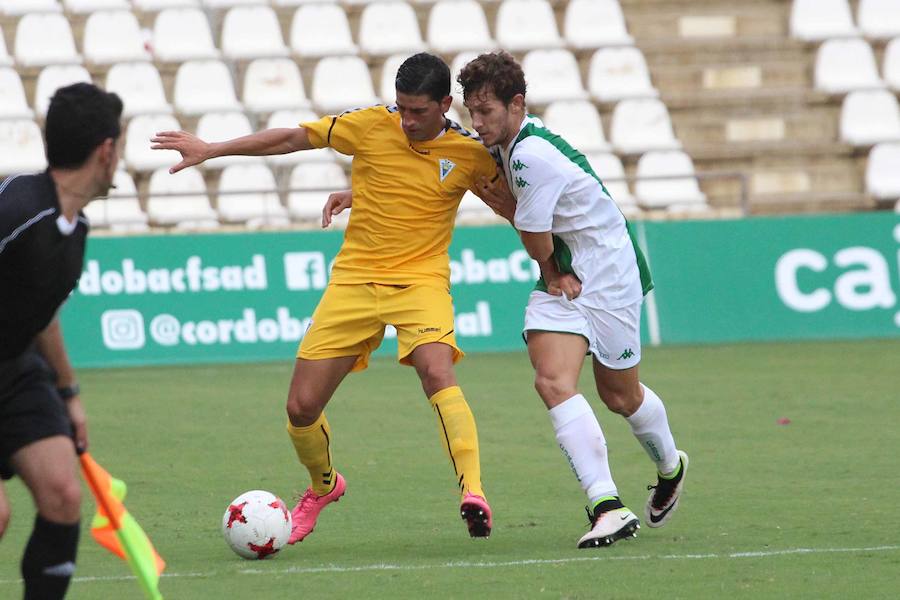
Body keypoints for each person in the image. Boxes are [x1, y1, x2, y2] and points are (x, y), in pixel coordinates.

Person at [151, 53, 498, 541]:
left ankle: (473, 492)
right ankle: (324, 486)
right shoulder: (372, 125)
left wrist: (555, 263)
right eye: (402, 108)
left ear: (445, 104)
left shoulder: (471, 153)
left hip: (421, 282)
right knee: (300, 408)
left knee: (437, 370)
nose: (408, 120)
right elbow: (294, 138)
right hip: (354, 281)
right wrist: (213, 149)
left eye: (419, 111)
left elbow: (515, 205)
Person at [457, 51, 689, 548]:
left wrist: (551, 269)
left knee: (620, 396)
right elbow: (526, 217)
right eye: (470, 112)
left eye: (486, 112)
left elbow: (535, 234)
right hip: (566, 268)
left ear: (516, 104)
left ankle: (670, 464)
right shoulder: (509, 141)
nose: (477, 124)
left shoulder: (530, 155)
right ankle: (606, 505)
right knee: (552, 380)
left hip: (604, 272)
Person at [0, 82, 123, 598]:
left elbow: (41, 313)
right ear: (106, 150)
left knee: (61, 494)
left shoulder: (74, 228)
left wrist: (69, 394)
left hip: (14, 367)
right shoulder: (16, 210)